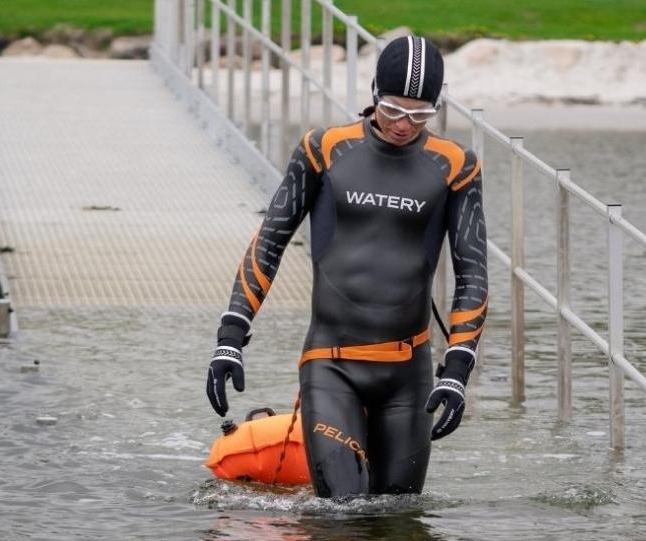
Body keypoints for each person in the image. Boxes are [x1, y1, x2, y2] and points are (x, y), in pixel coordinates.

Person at [206, 35, 488, 498]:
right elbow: (269, 242)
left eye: (420, 114)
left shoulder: (456, 165)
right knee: (342, 512)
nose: (403, 125)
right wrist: (230, 338)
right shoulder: (325, 149)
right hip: (331, 366)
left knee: (398, 519)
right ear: (374, 93)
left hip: (408, 373)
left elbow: (472, 272)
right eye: (394, 109)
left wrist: (457, 369)